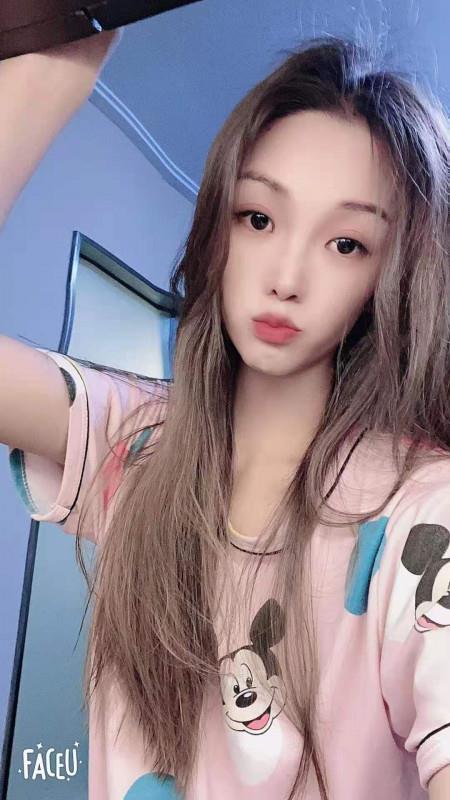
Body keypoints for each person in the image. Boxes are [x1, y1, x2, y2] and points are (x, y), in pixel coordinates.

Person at [0, 26, 449, 800]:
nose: (286, 277)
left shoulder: (423, 512)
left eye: (346, 244)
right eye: (258, 219)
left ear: (393, 277)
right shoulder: (138, 445)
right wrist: (46, 75)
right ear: (216, 232)